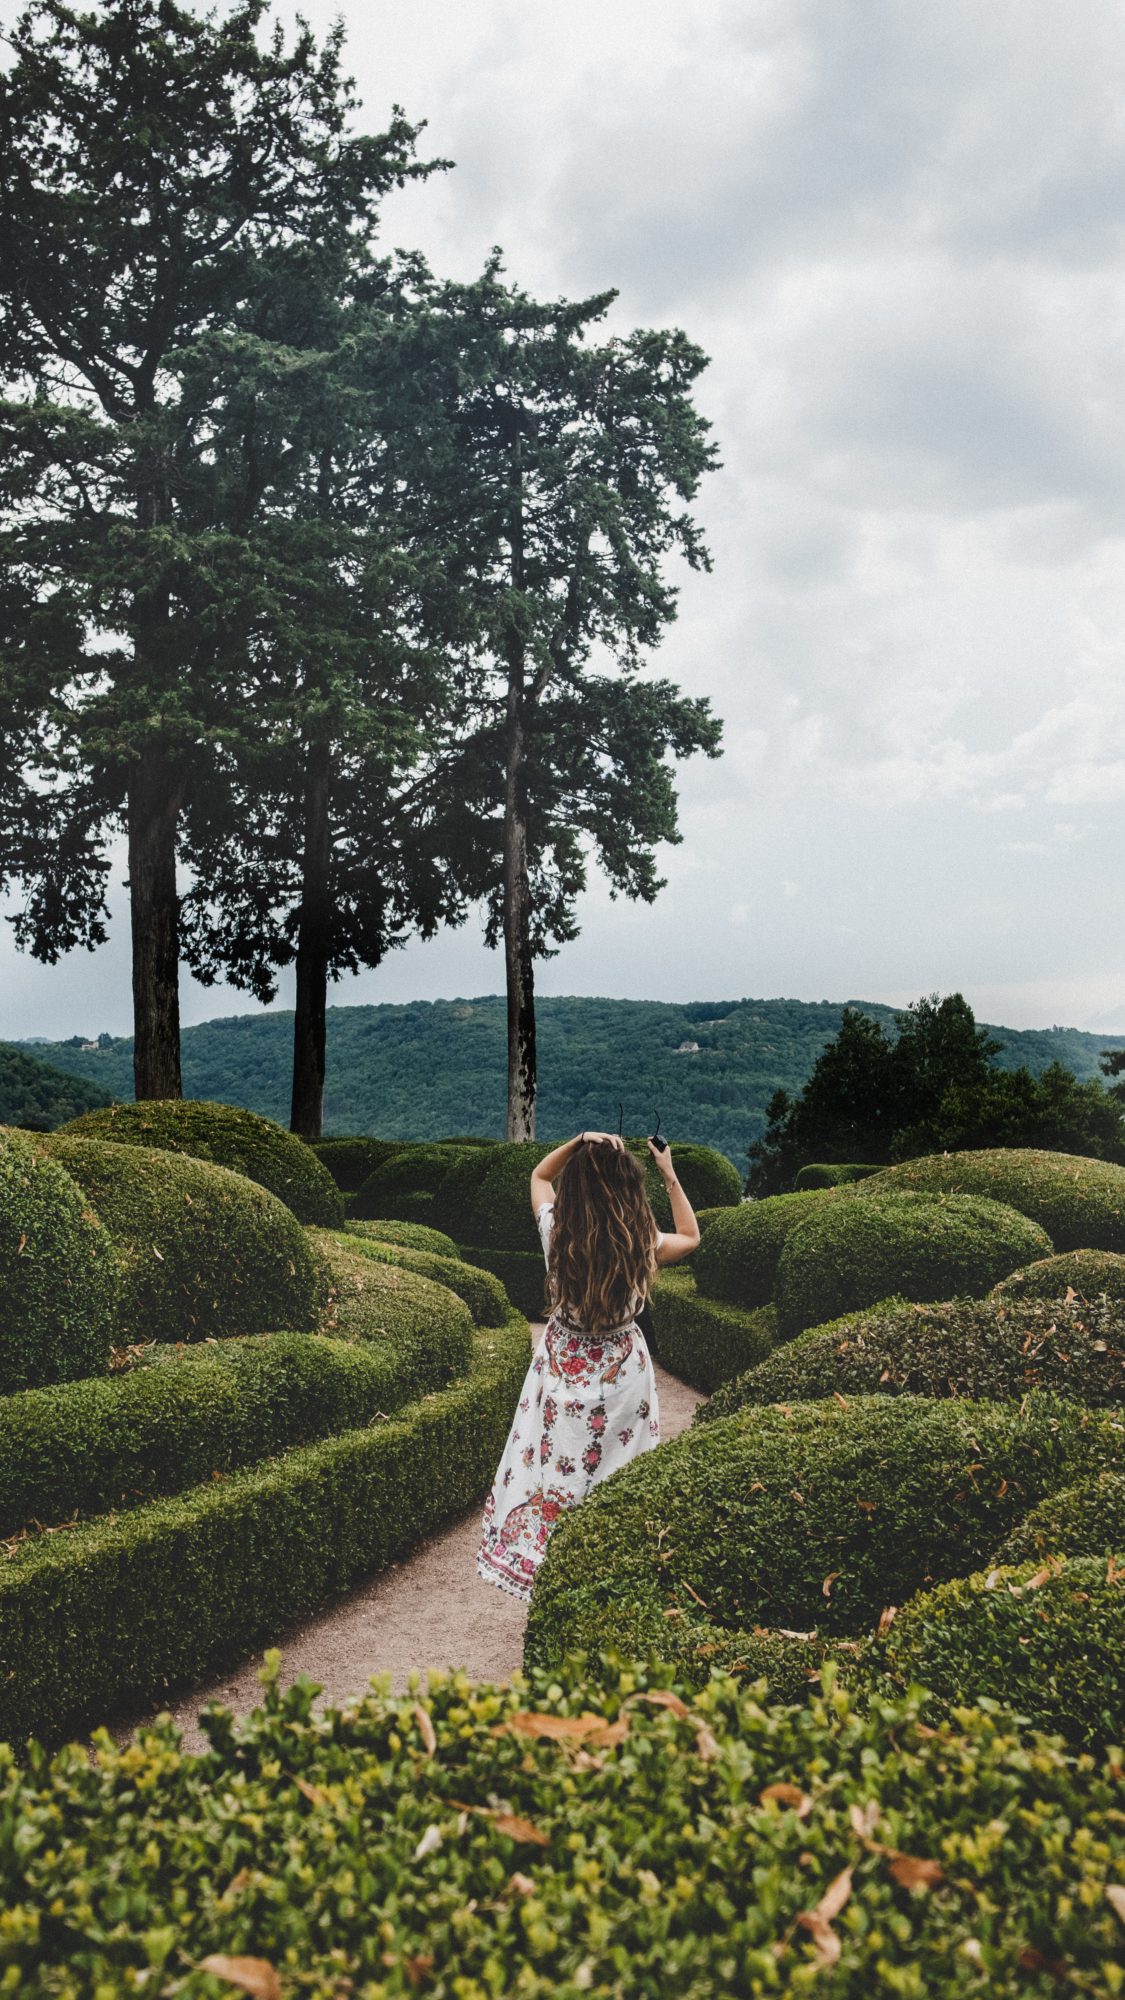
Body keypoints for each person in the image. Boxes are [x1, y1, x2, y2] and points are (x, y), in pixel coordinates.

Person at [476, 1130, 700, 1601]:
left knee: (556, 1466)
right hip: (623, 1369)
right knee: (618, 1468)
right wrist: (668, 1172)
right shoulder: (641, 1241)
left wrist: (578, 1142)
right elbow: (691, 1236)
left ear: (575, 1187)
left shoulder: (557, 1232)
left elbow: (539, 1176)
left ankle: (550, 1563)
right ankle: (609, 1565)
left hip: (562, 1363)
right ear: (628, 1188)